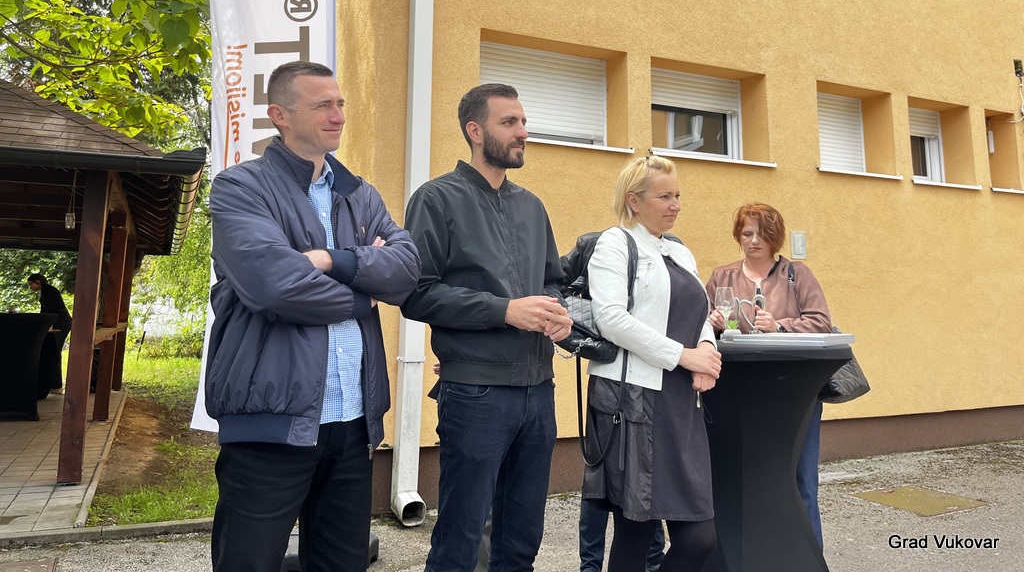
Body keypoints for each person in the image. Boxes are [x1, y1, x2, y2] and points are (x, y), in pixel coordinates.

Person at [204, 61, 421, 572]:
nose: (338, 115)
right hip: (270, 422)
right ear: (279, 115)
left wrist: (330, 260)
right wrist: (362, 295)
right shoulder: (240, 187)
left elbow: (407, 270)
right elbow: (275, 287)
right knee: (247, 563)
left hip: (353, 422)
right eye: (323, 105)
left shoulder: (360, 193)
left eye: (340, 103)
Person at [402, 82, 573, 572]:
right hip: (475, 393)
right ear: (475, 131)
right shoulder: (436, 199)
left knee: (522, 541)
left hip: (539, 392)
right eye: (509, 122)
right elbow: (415, 292)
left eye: (523, 121)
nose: (523, 132)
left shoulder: (532, 206)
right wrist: (504, 310)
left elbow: (553, 281)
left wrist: (557, 311)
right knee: (460, 540)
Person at [582, 155, 722, 572]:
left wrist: (704, 352)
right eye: (664, 196)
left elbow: (701, 312)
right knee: (635, 532)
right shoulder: (615, 243)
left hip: (681, 404)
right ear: (634, 200)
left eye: (677, 195)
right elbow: (611, 319)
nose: (675, 204)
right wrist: (683, 356)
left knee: (699, 538)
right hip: (634, 401)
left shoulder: (679, 251)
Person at [705, 203, 832, 548]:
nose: (753, 240)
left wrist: (780, 325)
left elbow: (821, 321)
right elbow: (698, 329)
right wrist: (711, 324)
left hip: (794, 392)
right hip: (738, 393)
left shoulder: (796, 274)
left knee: (800, 480)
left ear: (775, 237)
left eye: (761, 234)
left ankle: (808, 556)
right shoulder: (722, 277)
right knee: (743, 479)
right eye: (746, 233)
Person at [27, 272, 72, 389]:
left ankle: (55, 383)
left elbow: (50, 310)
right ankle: (52, 383)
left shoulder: (49, 292)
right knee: (53, 351)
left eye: (31, 284)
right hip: (58, 323)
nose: (30, 287)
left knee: (55, 352)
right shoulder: (46, 291)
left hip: (61, 323)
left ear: (38, 282)